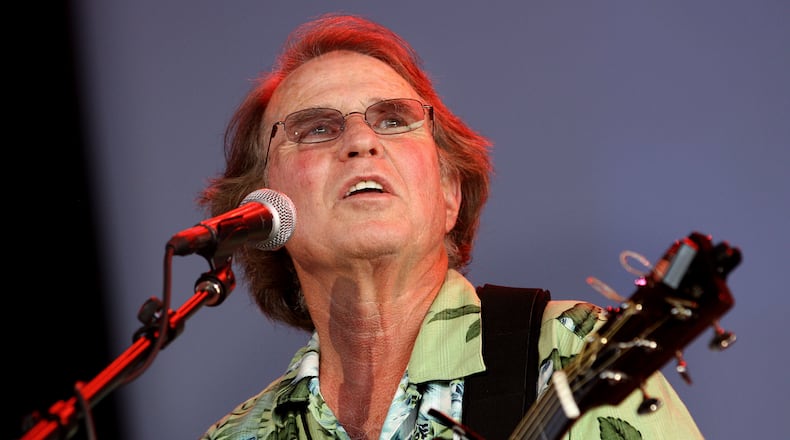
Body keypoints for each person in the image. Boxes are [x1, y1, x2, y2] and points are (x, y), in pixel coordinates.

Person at [197, 12, 703, 440]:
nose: (361, 142)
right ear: (259, 212)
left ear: (449, 194)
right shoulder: (240, 434)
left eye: (394, 120)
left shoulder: (570, 352)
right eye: (317, 129)